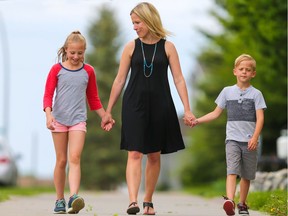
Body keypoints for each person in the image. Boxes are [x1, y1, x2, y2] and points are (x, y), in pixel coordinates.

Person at [102, 2, 195, 215]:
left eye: (137, 22)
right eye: (132, 23)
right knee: (134, 152)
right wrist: (108, 111)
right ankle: (132, 201)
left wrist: (187, 109)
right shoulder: (131, 47)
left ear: (149, 19)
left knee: (154, 154)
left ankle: (148, 201)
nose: (134, 27)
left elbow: (179, 79)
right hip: (133, 104)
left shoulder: (168, 47)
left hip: (161, 105)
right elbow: (119, 80)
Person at [43, 31, 114, 214]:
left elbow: (93, 98)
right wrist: (48, 115)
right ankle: (60, 199)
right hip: (58, 120)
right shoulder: (56, 70)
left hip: (78, 120)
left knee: (75, 158)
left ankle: (74, 197)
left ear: (84, 52)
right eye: (72, 52)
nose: (76, 57)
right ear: (66, 50)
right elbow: (48, 95)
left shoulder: (88, 71)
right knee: (62, 160)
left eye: (80, 53)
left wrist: (105, 115)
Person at [191, 54, 266, 216]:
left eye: (248, 70)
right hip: (232, 139)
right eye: (241, 69)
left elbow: (260, 118)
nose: (244, 72)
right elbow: (215, 113)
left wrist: (254, 137)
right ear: (235, 72)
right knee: (232, 171)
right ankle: (230, 201)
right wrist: (198, 120)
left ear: (253, 73)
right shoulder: (227, 92)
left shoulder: (256, 94)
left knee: (246, 175)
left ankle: (242, 203)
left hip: (249, 141)